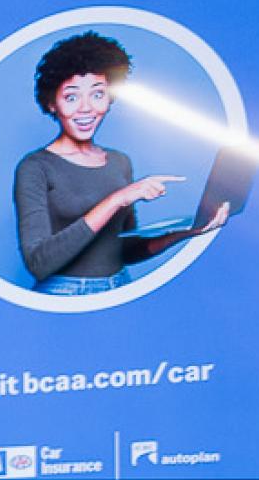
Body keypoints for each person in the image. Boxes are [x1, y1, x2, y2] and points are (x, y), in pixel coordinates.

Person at [13, 29, 228, 296]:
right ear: (51, 102)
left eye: (98, 94)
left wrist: (189, 232)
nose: (86, 108)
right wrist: (119, 198)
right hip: (63, 294)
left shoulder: (118, 162)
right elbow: (39, 263)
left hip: (120, 286)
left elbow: (125, 250)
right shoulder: (35, 168)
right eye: (71, 96)